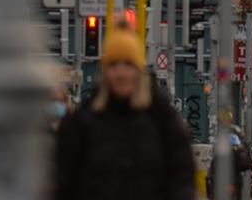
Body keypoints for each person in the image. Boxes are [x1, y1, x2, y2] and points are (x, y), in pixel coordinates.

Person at [54, 24, 195, 200]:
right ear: (105, 72)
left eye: (128, 64)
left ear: (139, 70)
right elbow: (65, 182)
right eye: (113, 65)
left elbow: (182, 180)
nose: (121, 73)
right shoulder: (83, 122)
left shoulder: (163, 120)